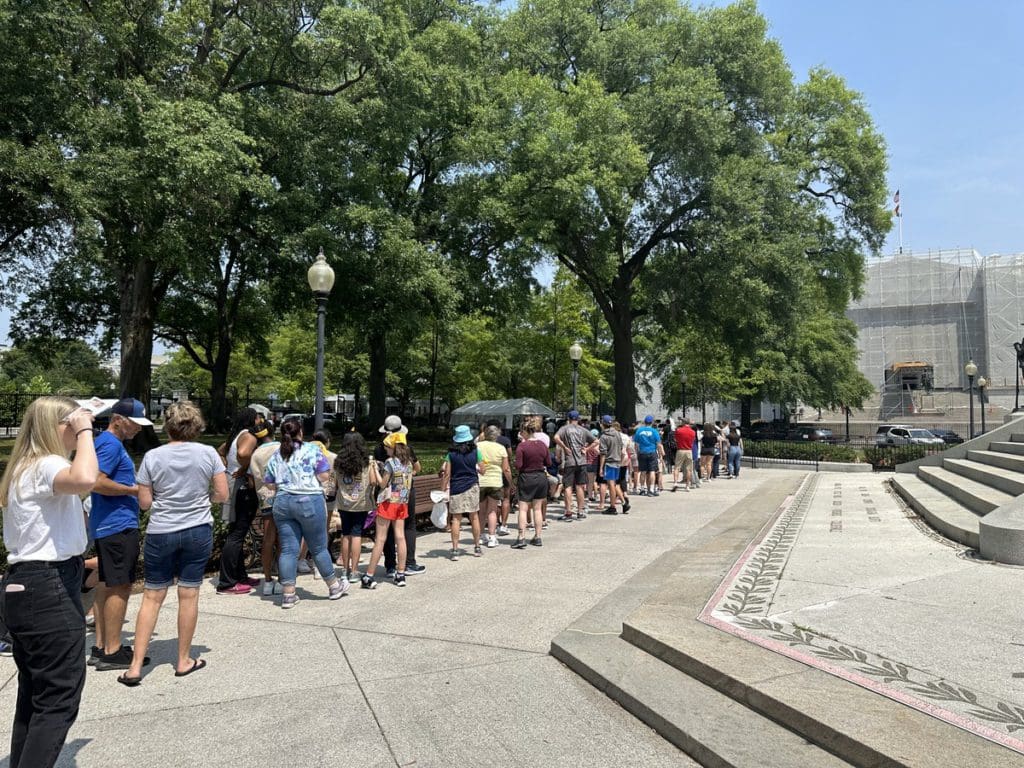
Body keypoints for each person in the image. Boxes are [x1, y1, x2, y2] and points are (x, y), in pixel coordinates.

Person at [0, 397, 97, 768]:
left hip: (28, 585)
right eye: (71, 424)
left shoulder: (24, 467)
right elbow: (86, 478)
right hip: (48, 585)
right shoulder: (46, 464)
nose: (78, 431)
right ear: (57, 426)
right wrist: (86, 429)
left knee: (35, 695)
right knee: (59, 697)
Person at [118, 402, 228, 686]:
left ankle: (134, 667)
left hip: (161, 530)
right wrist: (204, 500)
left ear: (167, 425)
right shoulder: (208, 454)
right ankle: (183, 659)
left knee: (152, 596)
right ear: (197, 425)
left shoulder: (153, 457)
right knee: (189, 594)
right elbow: (222, 494)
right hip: (196, 529)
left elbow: (144, 503)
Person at [263, 419, 349, 608]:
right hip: (309, 501)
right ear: (300, 431)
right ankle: (334, 586)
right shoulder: (312, 450)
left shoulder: (277, 454)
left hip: (283, 502)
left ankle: (288, 594)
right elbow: (324, 475)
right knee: (318, 547)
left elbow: (269, 483)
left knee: (288, 549)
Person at [91, 397, 150, 671]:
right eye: (134, 424)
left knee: (107, 582)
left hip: (110, 523)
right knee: (120, 585)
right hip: (116, 524)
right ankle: (112, 651)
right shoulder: (110, 444)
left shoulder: (109, 443)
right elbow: (97, 482)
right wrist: (134, 490)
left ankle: (104, 645)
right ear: (118, 420)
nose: (138, 429)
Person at [216, 408, 262, 595]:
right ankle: (226, 582)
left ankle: (240, 575)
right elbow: (243, 454)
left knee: (238, 531)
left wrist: (228, 467)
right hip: (242, 487)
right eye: (258, 417)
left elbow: (220, 451)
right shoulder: (249, 435)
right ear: (252, 419)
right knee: (237, 533)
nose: (260, 420)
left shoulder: (236, 435)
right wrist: (244, 468)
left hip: (233, 484)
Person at [362, 431, 415, 588]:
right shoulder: (409, 463)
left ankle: (369, 575)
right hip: (401, 503)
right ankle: (401, 574)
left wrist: (376, 469)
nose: (385, 449)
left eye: (387, 447)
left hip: (388, 503)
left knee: (380, 539)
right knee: (400, 537)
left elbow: (382, 484)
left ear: (393, 447)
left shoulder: (390, 463)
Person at [375, 416, 425, 576]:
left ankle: (390, 565)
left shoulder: (379, 449)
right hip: (404, 494)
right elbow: (418, 467)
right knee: (408, 527)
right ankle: (409, 563)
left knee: (386, 531)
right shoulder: (406, 449)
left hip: (386, 494)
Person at [334, 432, 380, 581]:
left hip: (343, 503)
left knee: (345, 534)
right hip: (361, 503)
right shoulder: (367, 461)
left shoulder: (338, 461)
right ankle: (354, 572)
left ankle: (344, 571)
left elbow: (335, 483)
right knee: (356, 535)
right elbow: (373, 482)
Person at [248, 421, 281, 595]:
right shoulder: (283, 448)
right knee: (284, 541)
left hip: (266, 499)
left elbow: (253, 479)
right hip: (285, 497)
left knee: (268, 540)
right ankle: (283, 579)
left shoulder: (256, 455)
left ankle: (267, 581)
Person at [441, 425, 481, 559]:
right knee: (474, 516)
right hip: (472, 486)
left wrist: (442, 490)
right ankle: (477, 547)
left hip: (456, 487)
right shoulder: (476, 452)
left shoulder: (451, 454)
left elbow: (447, 473)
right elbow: (483, 469)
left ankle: (455, 550)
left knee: (456, 519)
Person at [511, 417, 549, 549]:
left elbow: (519, 465)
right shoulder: (543, 445)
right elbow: (548, 462)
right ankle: (538, 537)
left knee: (523, 508)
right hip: (540, 477)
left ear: (525, 431)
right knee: (537, 509)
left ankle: (521, 537)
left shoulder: (522, 446)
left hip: (526, 477)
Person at [554, 409, 597, 521]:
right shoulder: (583, 430)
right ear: (578, 419)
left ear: (568, 419)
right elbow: (596, 441)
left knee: (568, 487)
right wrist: (587, 449)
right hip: (582, 461)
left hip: (570, 461)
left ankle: (568, 512)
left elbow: (556, 438)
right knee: (580, 486)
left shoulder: (564, 429)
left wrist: (564, 447)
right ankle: (580, 511)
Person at [477, 425, 512, 549]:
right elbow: (506, 469)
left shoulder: (478, 446)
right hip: (495, 482)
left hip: (480, 481)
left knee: (481, 511)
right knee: (492, 510)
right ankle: (492, 537)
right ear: (497, 436)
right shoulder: (501, 448)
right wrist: (511, 483)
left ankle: (480, 536)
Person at [597, 415, 623, 515]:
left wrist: (601, 467)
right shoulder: (617, 433)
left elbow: (603, 453)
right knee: (614, 484)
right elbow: (621, 447)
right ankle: (615, 504)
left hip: (609, 462)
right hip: (617, 461)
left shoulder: (604, 436)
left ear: (602, 424)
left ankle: (612, 507)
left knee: (611, 485)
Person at [632, 415, 663, 496]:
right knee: (652, 471)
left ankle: (642, 489)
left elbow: (636, 444)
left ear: (644, 422)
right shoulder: (654, 431)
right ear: (652, 422)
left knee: (643, 471)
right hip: (652, 452)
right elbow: (659, 444)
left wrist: (636, 452)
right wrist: (660, 454)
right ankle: (651, 489)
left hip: (642, 452)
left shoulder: (639, 431)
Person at [673, 419, 697, 491]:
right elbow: (692, 441)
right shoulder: (693, 432)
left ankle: (675, 483)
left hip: (680, 450)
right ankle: (687, 486)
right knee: (689, 469)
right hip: (689, 450)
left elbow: (676, 439)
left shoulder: (679, 430)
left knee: (677, 467)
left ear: (683, 423)